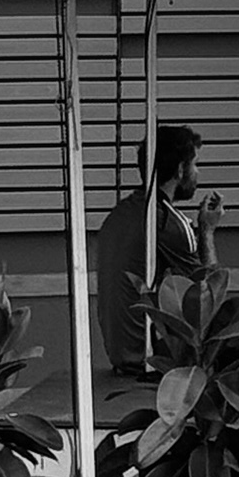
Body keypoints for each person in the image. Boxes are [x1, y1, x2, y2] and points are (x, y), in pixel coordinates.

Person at [97, 123, 212, 379]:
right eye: (195, 165)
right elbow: (208, 296)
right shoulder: (165, 221)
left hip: (121, 353)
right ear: (180, 170)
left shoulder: (118, 216)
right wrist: (207, 230)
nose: (197, 173)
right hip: (151, 359)